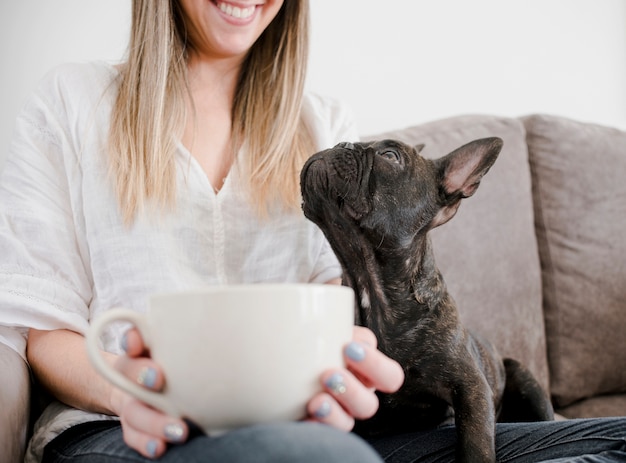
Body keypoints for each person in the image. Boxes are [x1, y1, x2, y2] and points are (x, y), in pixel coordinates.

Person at [0, 1, 624, 462]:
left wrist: (353, 373)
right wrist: (136, 389)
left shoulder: (324, 128)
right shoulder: (70, 103)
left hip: (317, 426)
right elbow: (44, 332)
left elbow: (347, 308)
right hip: (122, 427)